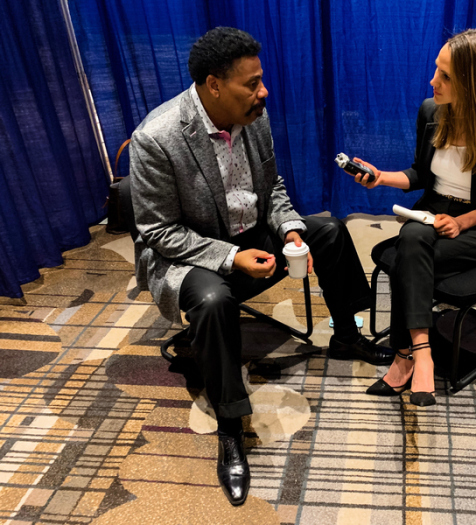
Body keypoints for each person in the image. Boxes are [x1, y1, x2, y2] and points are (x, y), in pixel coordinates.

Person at [129, 27, 393, 507]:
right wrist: (230, 257)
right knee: (213, 299)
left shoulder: (253, 116)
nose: (263, 92)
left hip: (249, 232)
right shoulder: (157, 137)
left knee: (328, 230)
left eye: (261, 80)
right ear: (214, 85)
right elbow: (157, 232)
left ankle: (348, 338)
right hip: (188, 253)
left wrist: (291, 230)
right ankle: (231, 428)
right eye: (251, 83)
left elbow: (271, 188)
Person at [346, 29, 476, 407]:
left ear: (474, 81)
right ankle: (422, 351)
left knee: (406, 256)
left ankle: (405, 359)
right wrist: (381, 177)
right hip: (434, 217)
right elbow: (420, 174)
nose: (433, 81)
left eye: (445, 76)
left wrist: (463, 222)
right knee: (414, 239)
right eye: (436, 70)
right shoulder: (431, 113)